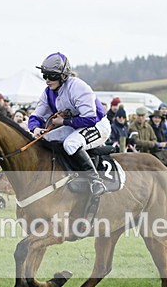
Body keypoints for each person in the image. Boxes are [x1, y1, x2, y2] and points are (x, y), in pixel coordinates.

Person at [27, 52, 109, 196]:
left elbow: (91, 118)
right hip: (74, 126)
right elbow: (36, 116)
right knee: (44, 140)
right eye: (44, 75)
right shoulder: (48, 92)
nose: (47, 80)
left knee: (70, 144)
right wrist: (35, 128)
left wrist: (64, 121)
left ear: (63, 75)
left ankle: (96, 181)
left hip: (97, 125)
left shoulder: (78, 87)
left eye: (51, 76)